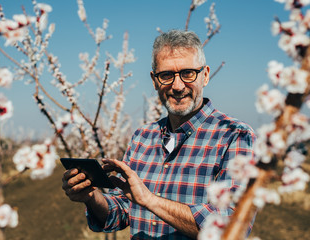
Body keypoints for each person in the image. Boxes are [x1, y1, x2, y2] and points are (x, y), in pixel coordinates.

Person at [62, 29, 256, 239]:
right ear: (155, 81)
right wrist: (91, 197)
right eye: (166, 75)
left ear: (205, 75)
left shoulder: (235, 136)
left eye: (188, 73)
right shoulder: (142, 137)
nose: (178, 86)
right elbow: (120, 211)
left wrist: (149, 199)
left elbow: (232, 226)